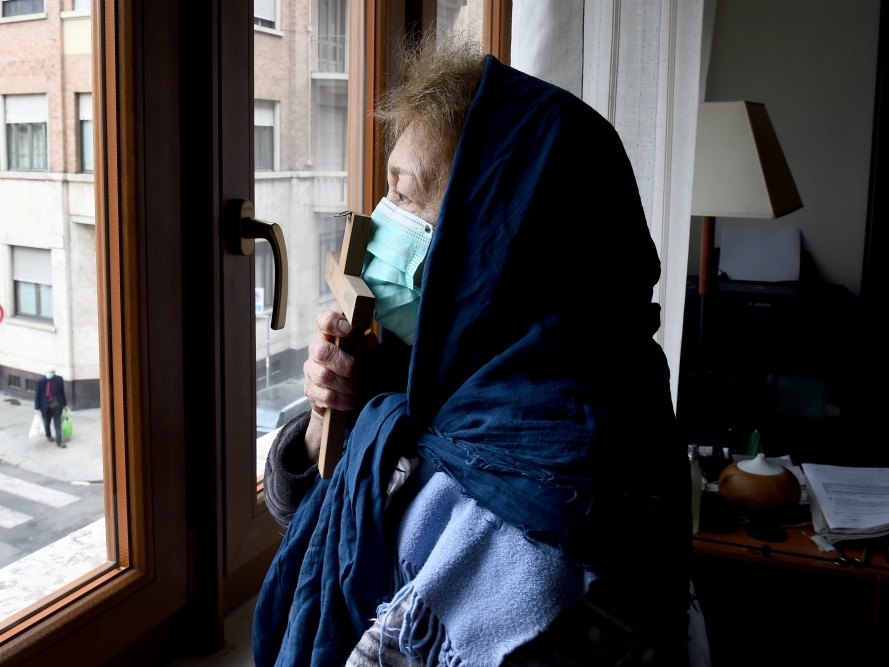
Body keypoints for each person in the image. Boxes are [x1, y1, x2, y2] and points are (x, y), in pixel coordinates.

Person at [256, 37, 691, 667]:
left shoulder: (535, 512)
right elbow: (304, 505)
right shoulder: (472, 372)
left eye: (405, 197)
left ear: (502, 235)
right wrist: (332, 415)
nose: (378, 223)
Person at [34, 366, 68, 449]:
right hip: (45, 406)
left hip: (57, 406)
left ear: (54, 373)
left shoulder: (59, 380)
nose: (49, 374)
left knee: (57, 424)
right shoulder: (41, 381)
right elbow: (37, 395)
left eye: (51, 372)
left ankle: (59, 441)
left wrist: (65, 404)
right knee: (47, 423)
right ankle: (48, 435)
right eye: (48, 372)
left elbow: (62, 392)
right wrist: (36, 408)